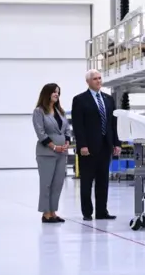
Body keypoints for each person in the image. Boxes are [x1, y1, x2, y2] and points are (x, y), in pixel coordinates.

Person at [71, 69, 122, 221]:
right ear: (88, 81)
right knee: (87, 181)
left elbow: (113, 124)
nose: (99, 81)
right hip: (88, 148)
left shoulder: (108, 99)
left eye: (100, 78)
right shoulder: (80, 100)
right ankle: (87, 212)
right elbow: (78, 125)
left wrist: (116, 143)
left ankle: (101, 211)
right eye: (95, 79)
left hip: (105, 146)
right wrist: (82, 145)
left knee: (103, 181)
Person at [32, 83, 71, 223]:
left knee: (58, 184)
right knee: (46, 183)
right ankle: (46, 213)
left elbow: (67, 130)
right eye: (54, 92)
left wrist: (66, 143)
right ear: (46, 93)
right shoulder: (39, 111)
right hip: (46, 153)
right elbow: (40, 133)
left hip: (62, 153)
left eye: (58, 92)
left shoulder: (60, 111)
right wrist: (54, 147)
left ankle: (53, 212)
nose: (56, 94)